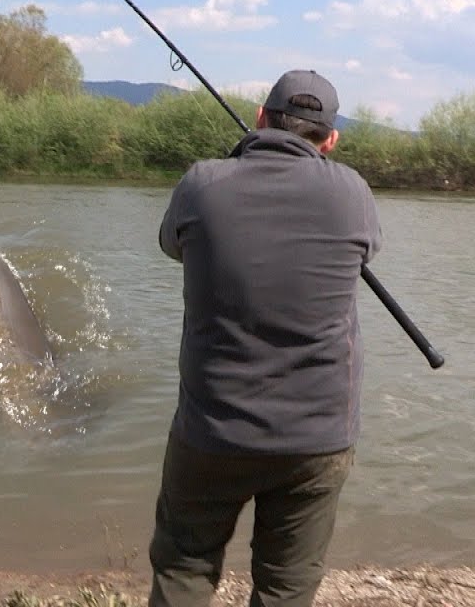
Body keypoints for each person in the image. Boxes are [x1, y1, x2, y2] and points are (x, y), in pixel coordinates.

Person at [149, 69, 382, 607]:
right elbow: (365, 253)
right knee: (286, 584)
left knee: (184, 566)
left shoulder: (202, 182)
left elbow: (170, 245)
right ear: (331, 140)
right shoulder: (352, 191)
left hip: (211, 428)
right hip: (319, 435)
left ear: (260, 117)